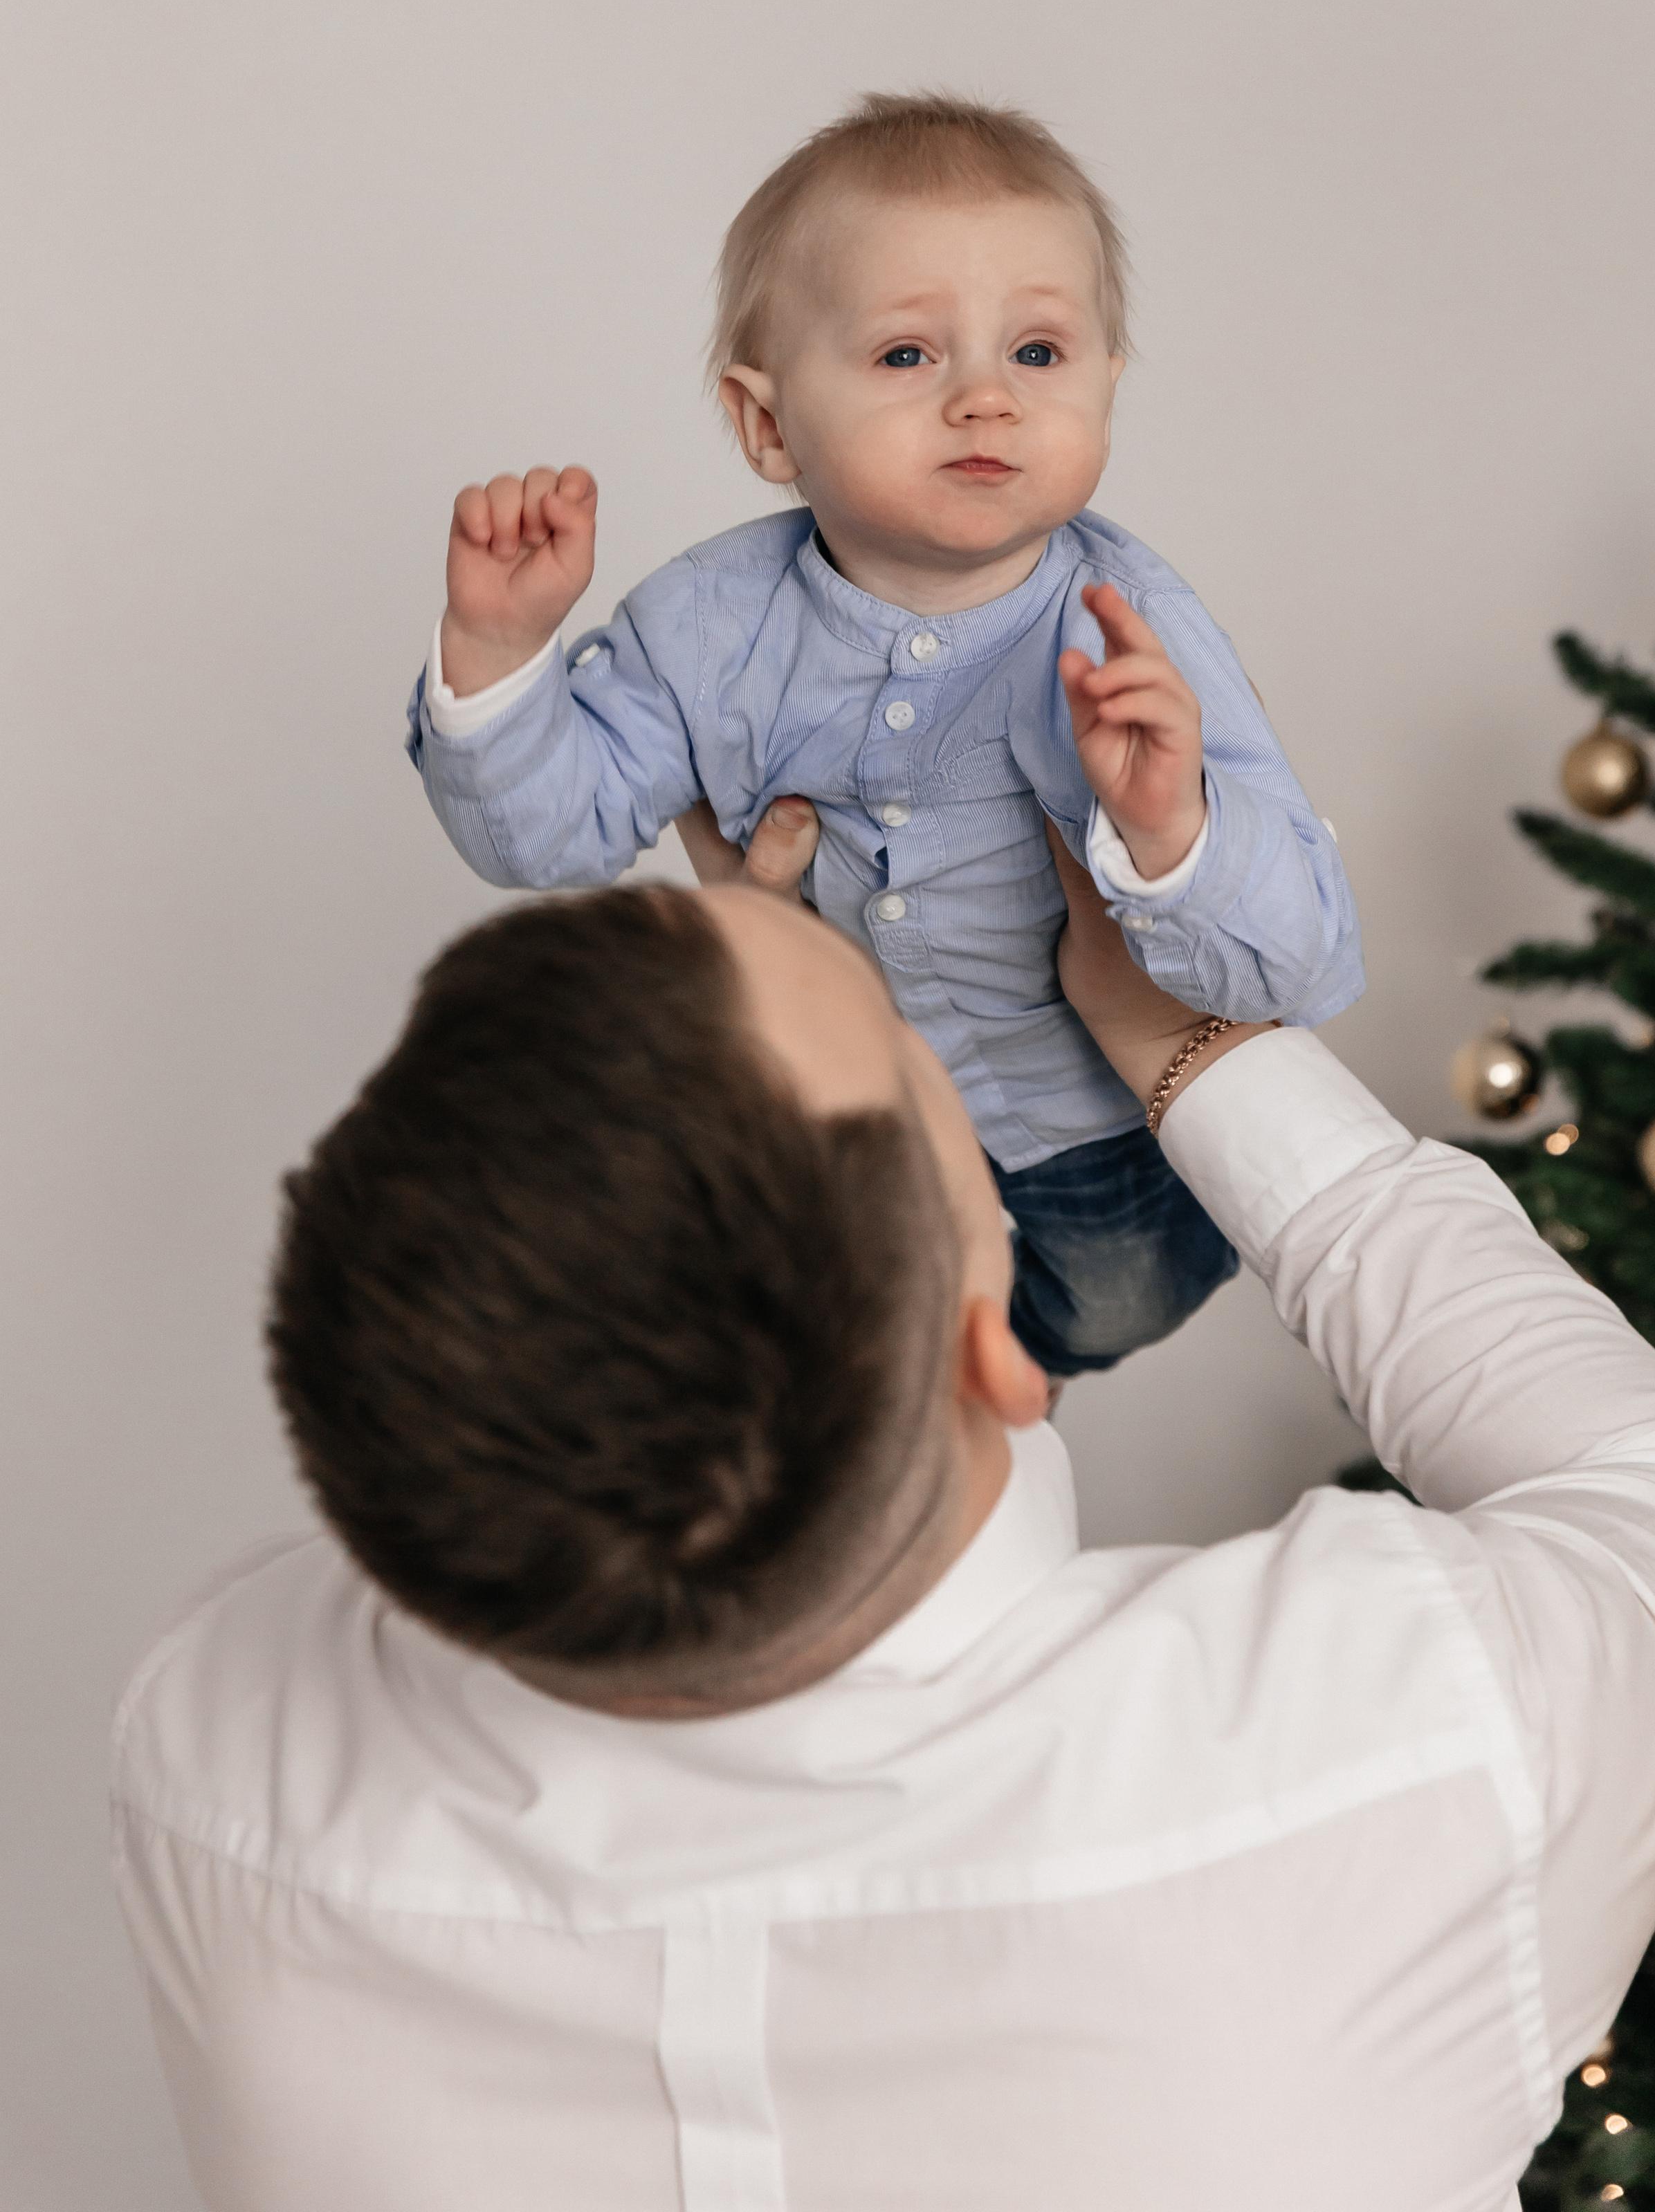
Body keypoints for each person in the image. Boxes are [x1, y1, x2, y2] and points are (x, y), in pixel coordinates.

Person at [113, 818, 1655, 2212]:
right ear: (995, 1333)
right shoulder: (1380, 1748)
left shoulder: (220, 1750)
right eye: (918, 1071)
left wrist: (726, 1065)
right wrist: (1183, 1043)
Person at [405, 90, 1362, 1379]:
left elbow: (1298, 965)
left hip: (1091, 1138)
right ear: (768, 425)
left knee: (1109, 1311)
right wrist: (499, 661)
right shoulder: (701, 626)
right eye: (909, 357)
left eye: (1037, 354)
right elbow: (547, 841)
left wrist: (1173, 831)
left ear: (1107, 386)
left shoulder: (1134, 636)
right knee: (827, 1358)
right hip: (852, 1129)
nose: (985, 401)